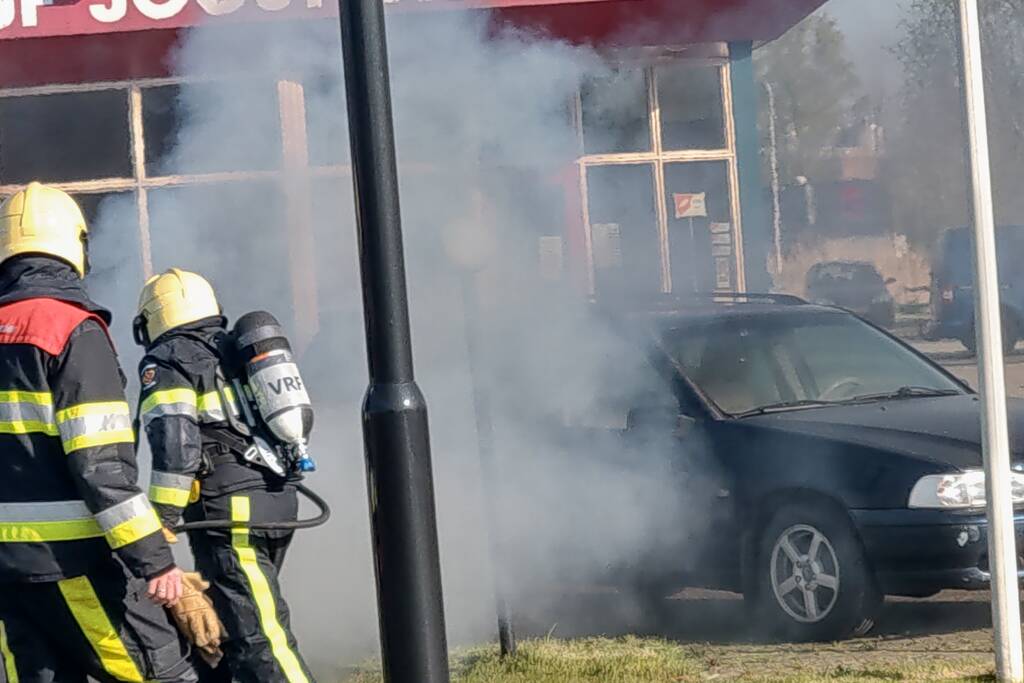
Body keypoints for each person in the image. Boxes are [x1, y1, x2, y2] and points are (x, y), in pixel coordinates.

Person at [0, 182, 206, 682]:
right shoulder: (70, 330)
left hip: (8, 572)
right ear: (76, 244)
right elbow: (103, 468)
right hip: (72, 562)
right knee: (163, 672)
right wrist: (156, 562)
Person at [133, 268, 315, 683]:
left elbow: (176, 450)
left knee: (262, 638)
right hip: (276, 497)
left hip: (231, 512)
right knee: (232, 627)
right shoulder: (232, 350)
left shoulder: (167, 362)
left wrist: (161, 521)